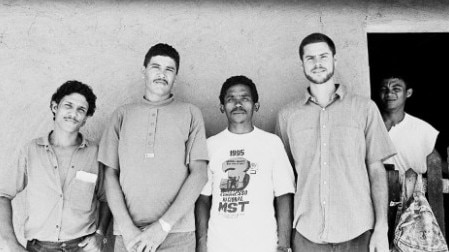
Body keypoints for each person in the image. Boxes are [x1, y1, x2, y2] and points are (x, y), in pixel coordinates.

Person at [275, 33, 396, 252]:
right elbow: (284, 180)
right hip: (306, 236)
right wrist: (284, 241)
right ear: (301, 63)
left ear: (335, 60)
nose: (317, 63)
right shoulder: (287, 116)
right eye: (310, 58)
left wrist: (381, 228)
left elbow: (376, 171)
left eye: (323, 56)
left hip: (358, 233)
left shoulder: (364, 109)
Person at [98, 43, 208, 252]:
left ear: (176, 76)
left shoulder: (191, 113)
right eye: (156, 67)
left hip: (177, 234)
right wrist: (127, 228)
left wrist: (163, 226)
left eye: (169, 69)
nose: (162, 74)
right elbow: (109, 176)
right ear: (144, 71)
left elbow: (200, 174)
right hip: (128, 235)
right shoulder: (121, 115)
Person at [0, 80, 111, 252]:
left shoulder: (96, 153)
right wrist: (9, 242)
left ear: (86, 118)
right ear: (54, 107)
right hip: (39, 247)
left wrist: (100, 234)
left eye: (81, 110)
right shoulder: (30, 151)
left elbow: (106, 198)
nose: (73, 114)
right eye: (68, 106)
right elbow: (3, 195)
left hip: (82, 247)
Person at [195, 75, 295, 252]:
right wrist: (202, 243)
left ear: (256, 105)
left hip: (264, 244)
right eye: (231, 99)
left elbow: (284, 196)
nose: (238, 104)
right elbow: (203, 199)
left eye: (245, 98)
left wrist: (284, 244)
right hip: (220, 245)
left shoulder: (271, 143)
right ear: (221, 107)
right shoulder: (210, 146)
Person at [378, 76, 445, 232]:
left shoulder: (422, 130)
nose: (389, 94)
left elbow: (435, 163)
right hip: (376, 201)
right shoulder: (370, 124)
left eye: (396, 89)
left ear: (408, 93)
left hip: (411, 206)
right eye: (384, 89)